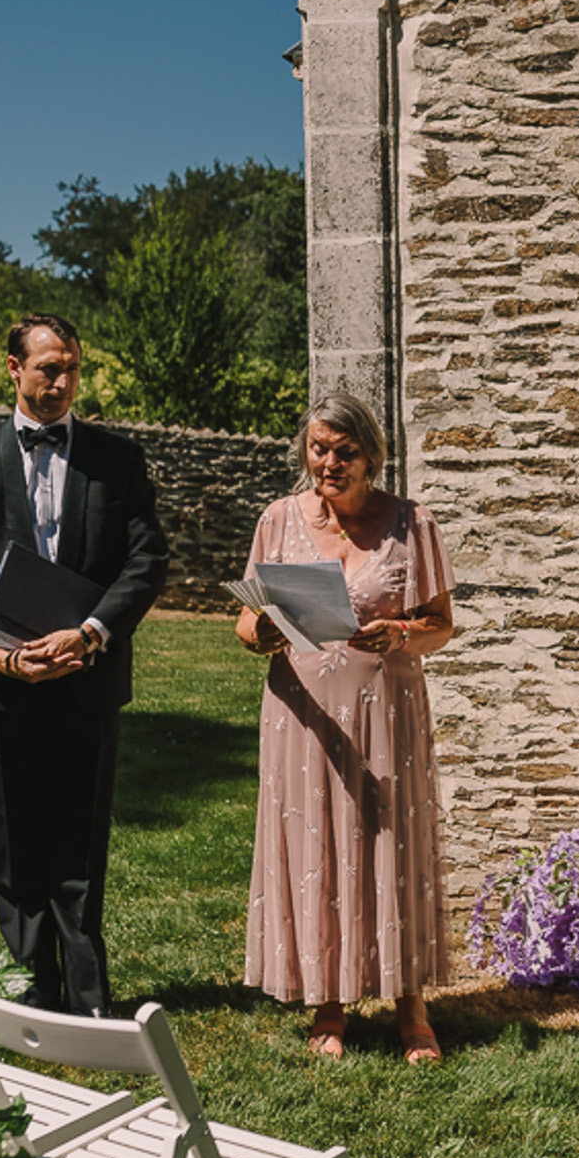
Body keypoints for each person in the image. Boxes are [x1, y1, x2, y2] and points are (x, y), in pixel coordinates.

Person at [0, 313, 169, 1017]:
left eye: (71, 368)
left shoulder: (118, 460)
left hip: (85, 683)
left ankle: (90, 998)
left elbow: (146, 559)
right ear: (13, 369)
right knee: (14, 845)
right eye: (47, 368)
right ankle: (30, 990)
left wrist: (91, 634)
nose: (61, 382)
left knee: (80, 845)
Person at [235, 393, 456, 1062]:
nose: (329, 463)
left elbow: (443, 626)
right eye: (318, 449)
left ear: (371, 457)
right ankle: (328, 1004)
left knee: (395, 848)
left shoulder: (410, 522)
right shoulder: (279, 519)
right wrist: (263, 631)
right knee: (316, 848)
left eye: (345, 452)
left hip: (387, 715)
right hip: (303, 719)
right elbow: (246, 621)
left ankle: (411, 1004)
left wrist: (403, 633)